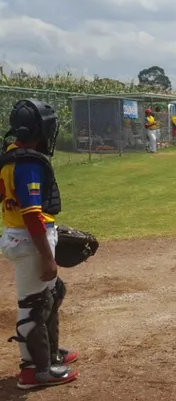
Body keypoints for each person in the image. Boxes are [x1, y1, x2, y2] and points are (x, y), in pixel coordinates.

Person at [0, 99, 78, 390]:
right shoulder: (28, 163)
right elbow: (31, 213)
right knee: (32, 305)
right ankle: (34, 370)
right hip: (30, 241)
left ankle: (49, 354)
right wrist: (47, 256)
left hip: (21, 235)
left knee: (52, 294)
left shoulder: (9, 156)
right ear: (40, 130)